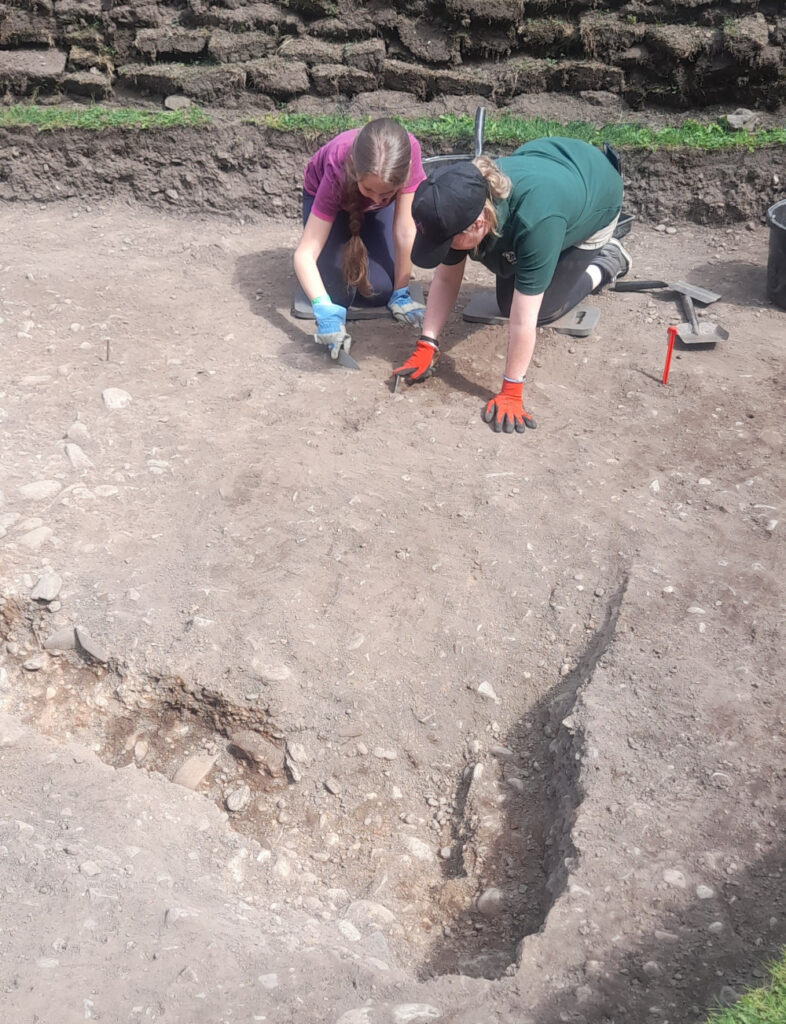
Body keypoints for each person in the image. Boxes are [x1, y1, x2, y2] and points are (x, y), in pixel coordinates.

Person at [394, 137, 632, 432]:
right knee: (512, 287)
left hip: (596, 195)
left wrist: (511, 389)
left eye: (446, 242)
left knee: (536, 306)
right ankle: (546, 258)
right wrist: (427, 343)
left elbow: (523, 321)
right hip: (554, 165)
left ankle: (608, 262)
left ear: (479, 223)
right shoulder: (462, 198)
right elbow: (445, 276)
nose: (444, 250)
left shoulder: (535, 221)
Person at [293, 118, 427, 359]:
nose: (377, 198)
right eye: (369, 190)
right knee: (338, 294)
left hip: (371, 215)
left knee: (379, 291)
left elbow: (405, 229)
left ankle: (390, 286)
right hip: (331, 199)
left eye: (386, 193)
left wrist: (402, 291)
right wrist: (323, 307)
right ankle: (325, 285)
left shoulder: (409, 154)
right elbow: (304, 253)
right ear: (354, 166)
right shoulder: (337, 165)